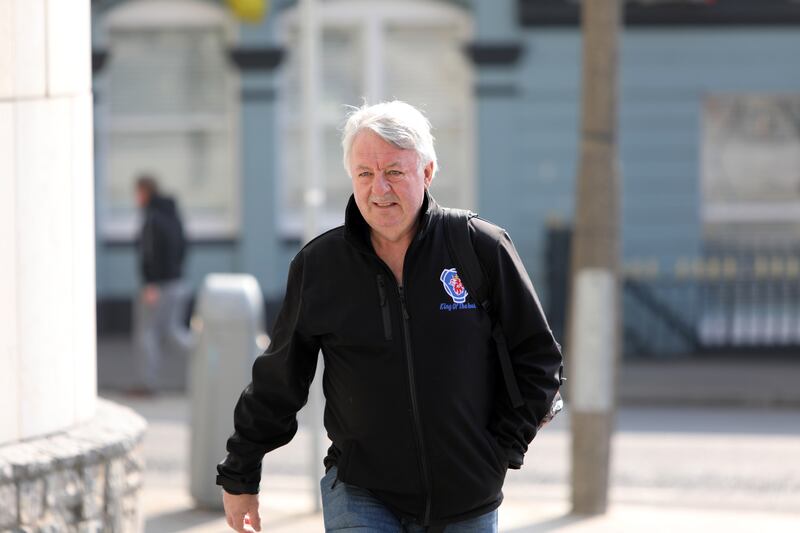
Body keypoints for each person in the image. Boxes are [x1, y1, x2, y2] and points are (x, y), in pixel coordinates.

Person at [216, 101, 563, 532]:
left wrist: (500, 451)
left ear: (428, 171)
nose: (379, 189)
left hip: (467, 497)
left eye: (394, 172)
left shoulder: (479, 248)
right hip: (361, 492)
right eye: (365, 174)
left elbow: (539, 359)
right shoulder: (320, 266)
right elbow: (279, 380)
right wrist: (240, 472)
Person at [131, 175, 193, 395]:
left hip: (157, 286)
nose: (135, 198)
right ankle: (209, 359)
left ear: (145, 191)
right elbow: (184, 247)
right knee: (173, 332)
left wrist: (150, 282)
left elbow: (149, 253)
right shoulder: (173, 215)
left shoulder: (152, 218)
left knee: (146, 333)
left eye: (137, 192)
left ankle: (146, 383)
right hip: (178, 282)